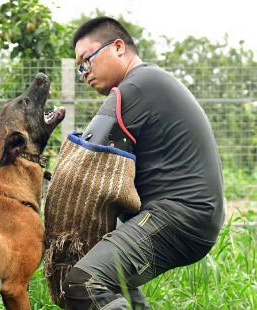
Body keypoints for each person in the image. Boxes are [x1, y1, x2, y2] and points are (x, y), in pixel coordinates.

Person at [61, 16, 225, 309]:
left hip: (178, 216)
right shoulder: (152, 81)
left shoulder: (134, 88)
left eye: (86, 61)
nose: (83, 72)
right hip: (194, 217)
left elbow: (83, 159)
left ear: (119, 47)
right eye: (79, 68)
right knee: (118, 288)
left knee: (84, 283)